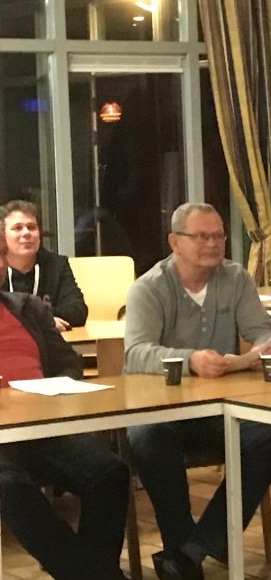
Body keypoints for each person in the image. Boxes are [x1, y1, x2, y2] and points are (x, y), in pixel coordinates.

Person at [122, 202, 271, 580]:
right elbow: (135, 353)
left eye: (218, 236)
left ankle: (190, 553)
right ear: (175, 242)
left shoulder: (236, 278)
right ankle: (185, 548)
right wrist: (190, 360)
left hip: (219, 408)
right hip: (162, 410)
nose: (213, 244)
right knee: (148, 441)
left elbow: (267, 334)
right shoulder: (149, 288)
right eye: (201, 236)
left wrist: (258, 350)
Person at [0, 231, 129, 580]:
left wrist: (58, 389)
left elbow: (68, 361)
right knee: (8, 485)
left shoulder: (29, 308)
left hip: (43, 424)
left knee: (110, 472)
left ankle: (90, 572)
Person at [1, 200, 88, 331]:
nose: (26, 233)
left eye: (31, 227)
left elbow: (77, 311)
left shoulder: (57, 264)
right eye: (17, 228)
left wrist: (32, 317)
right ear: (2, 236)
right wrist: (42, 319)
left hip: (51, 341)